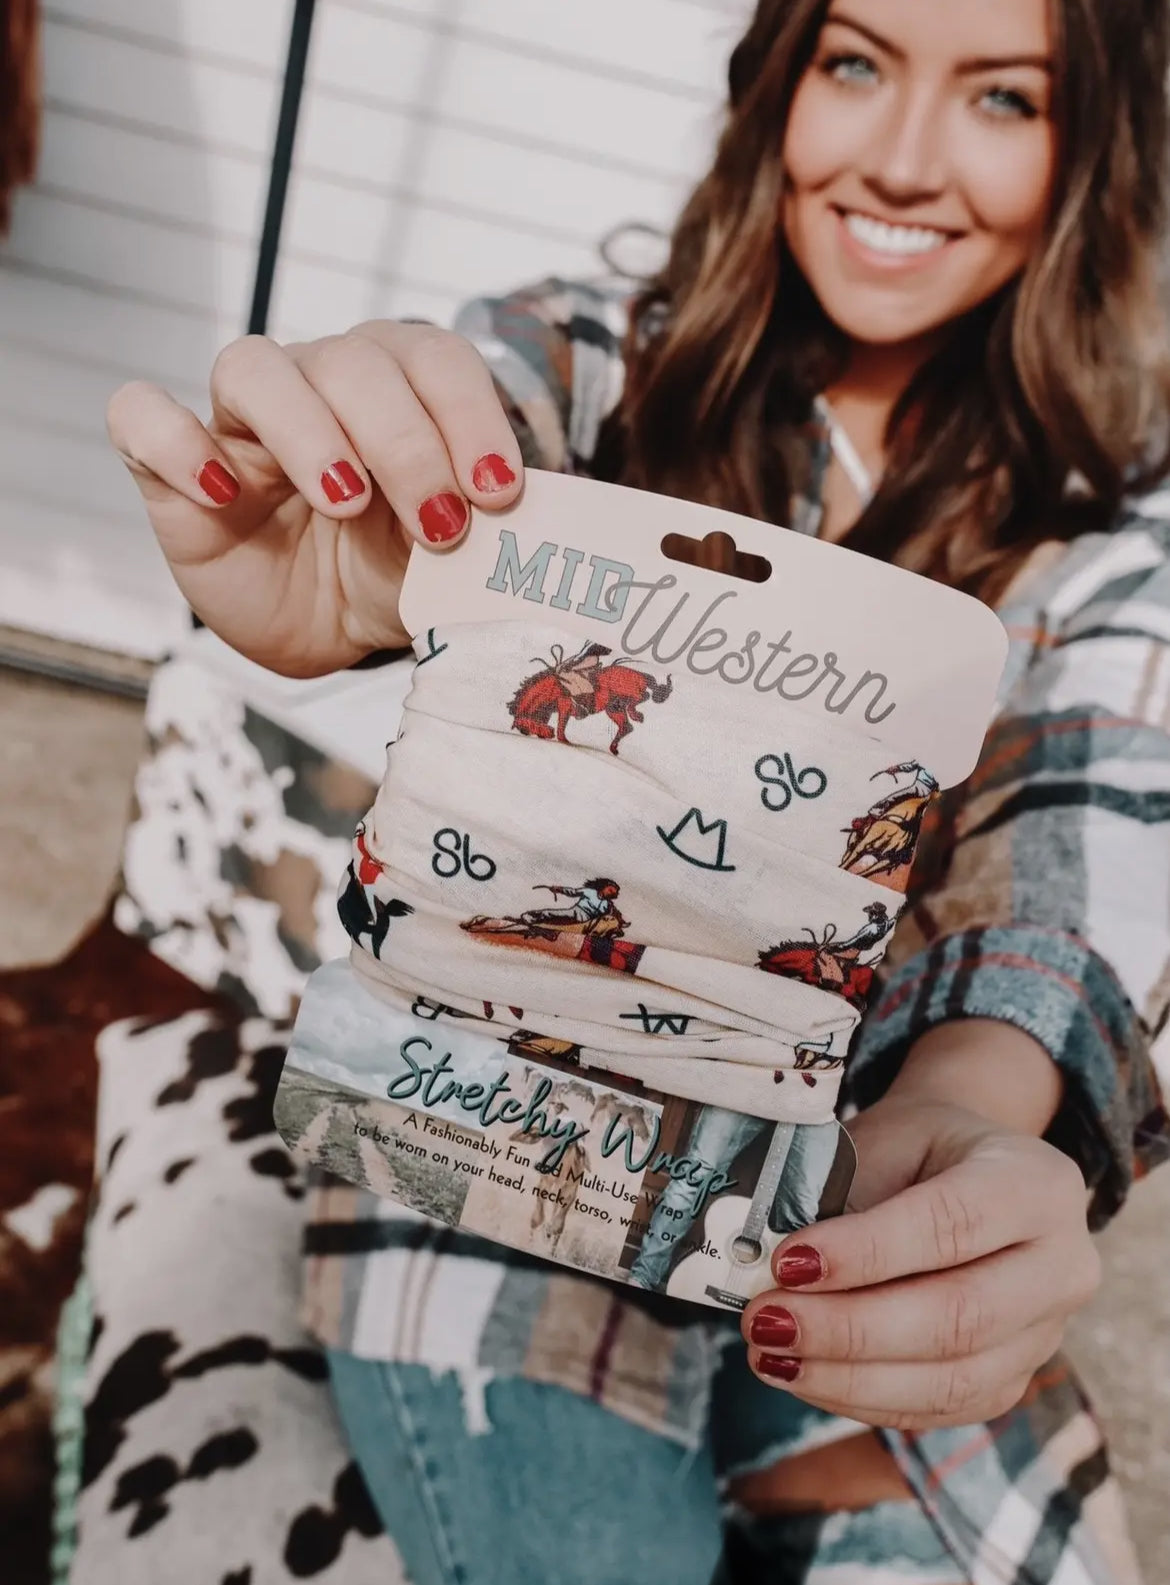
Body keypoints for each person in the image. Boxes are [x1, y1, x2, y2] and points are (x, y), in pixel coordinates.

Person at [106, 0, 1170, 1579]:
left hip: (835, 1194)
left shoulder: (1104, 530)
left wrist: (961, 1122)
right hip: (484, 1158)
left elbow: (1079, 853)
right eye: (856, 61)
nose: (897, 159)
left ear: (1093, 147)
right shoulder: (606, 357)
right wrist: (363, 492)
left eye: (1001, 97)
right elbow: (500, 399)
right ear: (779, 79)